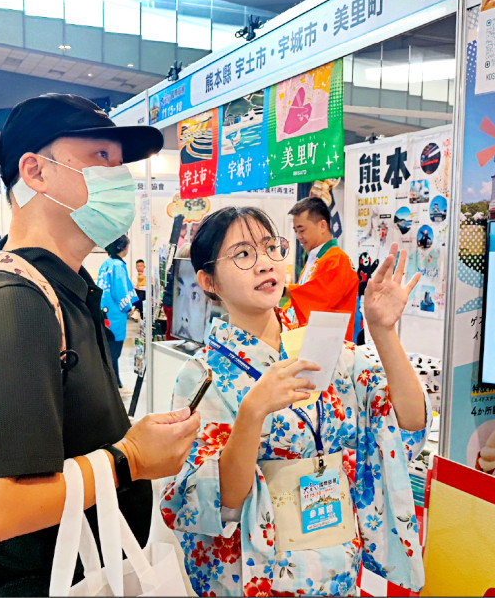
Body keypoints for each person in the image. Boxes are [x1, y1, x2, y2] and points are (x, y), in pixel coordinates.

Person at [0, 93, 200, 596]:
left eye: (119, 163)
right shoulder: (12, 303)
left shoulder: (63, 291)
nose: (118, 177)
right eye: (100, 157)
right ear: (34, 171)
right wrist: (132, 460)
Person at [160, 206, 430, 596]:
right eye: (243, 254)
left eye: (271, 247)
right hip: (258, 573)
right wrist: (253, 411)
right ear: (208, 281)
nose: (265, 263)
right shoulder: (202, 376)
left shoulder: (318, 346)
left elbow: (407, 421)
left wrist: (383, 331)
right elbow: (218, 502)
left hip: (335, 564)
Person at [285, 197, 360, 341]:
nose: (298, 237)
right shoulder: (315, 259)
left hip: (331, 343)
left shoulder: (338, 259)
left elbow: (319, 297)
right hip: (313, 339)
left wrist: (284, 290)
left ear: (322, 226)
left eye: (302, 230)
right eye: (296, 231)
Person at [97, 234, 139, 389]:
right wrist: (129, 308)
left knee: (107, 350)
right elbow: (120, 289)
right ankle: (114, 383)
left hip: (104, 311)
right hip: (115, 314)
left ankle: (112, 382)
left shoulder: (106, 264)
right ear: (123, 248)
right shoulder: (118, 266)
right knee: (114, 352)